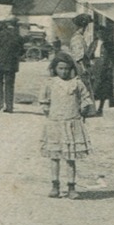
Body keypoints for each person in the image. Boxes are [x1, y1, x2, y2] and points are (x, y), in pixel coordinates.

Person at [40, 53, 94, 199]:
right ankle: (55, 186)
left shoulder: (76, 83)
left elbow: (86, 98)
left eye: (66, 69)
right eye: (60, 68)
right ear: (55, 68)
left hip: (72, 123)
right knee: (55, 156)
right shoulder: (50, 83)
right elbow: (44, 101)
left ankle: (71, 187)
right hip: (55, 124)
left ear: (71, 69)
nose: (63, 71)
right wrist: (48, 112)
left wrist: (84, 106)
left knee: (71, 157)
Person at [0, 23, 26, 113]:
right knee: (9, 84)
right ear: (15, 26)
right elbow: (21, 51)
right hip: (11, 64)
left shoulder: (0, 34)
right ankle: (9, 107)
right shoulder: (19, 37)